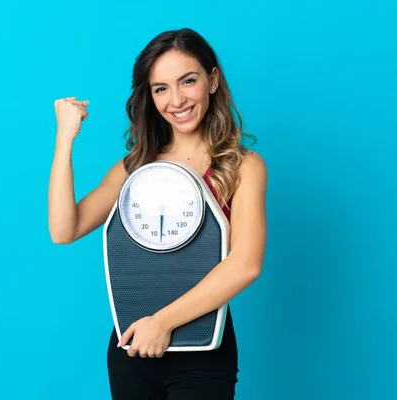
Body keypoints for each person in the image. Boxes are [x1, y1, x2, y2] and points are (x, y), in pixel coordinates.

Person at [48, 28, 267, 400]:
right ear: (149, 96)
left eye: (188, 81)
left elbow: (246, 264)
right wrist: (65, 138)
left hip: (203, 350)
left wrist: (162, 323)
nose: (176, 99)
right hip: (132, 345)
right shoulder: (134, 169)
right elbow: (64, 230)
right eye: (160, 88)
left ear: (212, 80)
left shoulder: (243, 166)